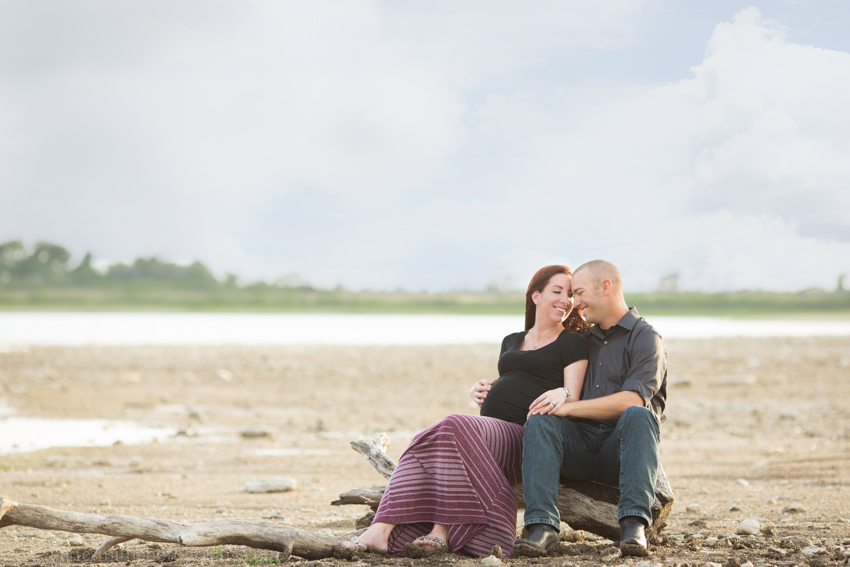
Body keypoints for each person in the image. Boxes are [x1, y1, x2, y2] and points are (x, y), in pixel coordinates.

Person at [340, 265, 590, 558]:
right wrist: (484, 389)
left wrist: (562, 393)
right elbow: (517, 379)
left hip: (530, 437)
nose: (565, 300)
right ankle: (380, 530)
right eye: (557, 291)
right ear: (535, 295)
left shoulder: (573, 342)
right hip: (488, 434)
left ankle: (442, 531)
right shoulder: (512, 340)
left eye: (570, 295)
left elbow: (571, 400)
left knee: (452, 423)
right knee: (425, 439)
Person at [513, 260, 667, 558]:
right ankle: (541, 526)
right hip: (578, 447)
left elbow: (631, 400)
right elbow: (535, 369)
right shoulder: (580, 339)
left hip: (621, 451)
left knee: (638, 414)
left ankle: (634, 524)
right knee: (542, 420)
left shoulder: (646, 338)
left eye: (579, 292)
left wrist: (570, 407)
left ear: (605, 287)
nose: (575, 302)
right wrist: (492, 386)